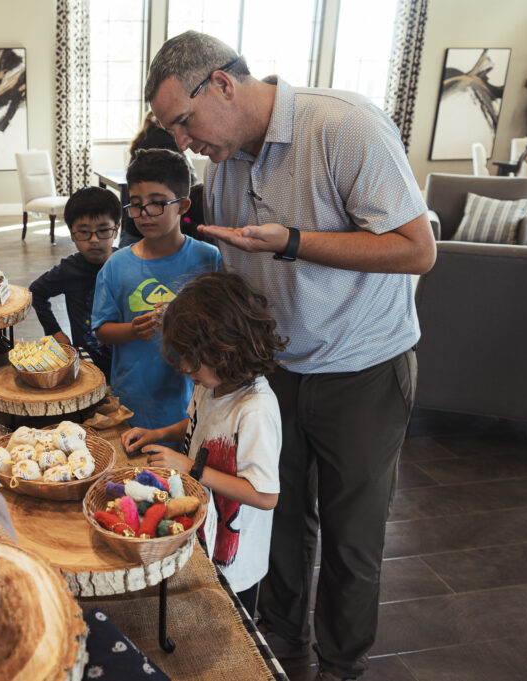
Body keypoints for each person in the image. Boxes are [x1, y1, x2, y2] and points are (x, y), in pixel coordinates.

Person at [144, 31, 436, 681]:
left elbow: (417, 249)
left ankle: (341, 666)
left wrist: (296, 241)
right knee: (278, 521)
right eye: (174, 133)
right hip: (276, 372)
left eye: (183, 124)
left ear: (220, 83)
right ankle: (279, 651)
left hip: (362, 369)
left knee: (351, 539)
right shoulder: (224, 162)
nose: (185, 144)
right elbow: (242, 276)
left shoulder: (345, 126)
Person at [121, 271, 284, 615]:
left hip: (236, 557)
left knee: (229, 625)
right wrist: (159, 433)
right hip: (203, 529)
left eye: (191, 357)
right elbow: (199, 425)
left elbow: (265, 496)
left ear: (226, 350)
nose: (183, 367)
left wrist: (191, 468)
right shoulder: (212, 383)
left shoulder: (254, 410)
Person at [91, 148, 221, 431]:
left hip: (189, 400)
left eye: (157, 203)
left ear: (183, 206)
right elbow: (101, 329)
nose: (145, 214)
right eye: (136, 204)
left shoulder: (208, 258)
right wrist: (133, 330)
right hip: (132, 400)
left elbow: (222, 323)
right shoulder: (117, 265)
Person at [28, 186, 119, 379]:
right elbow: (36, 292)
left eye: (103, 231)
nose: (94, 240)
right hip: (86, 364)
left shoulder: (128, 262)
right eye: (84, 232)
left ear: (116, 229)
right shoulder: (69, 270)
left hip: (126, 362)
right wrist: (54, 331)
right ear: (71, 234)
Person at [120, 112, 204, 247]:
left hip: (132, 232)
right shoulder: (165, 143)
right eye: (136, 204)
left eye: (156, 203)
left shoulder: (146, 137)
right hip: (139, 236)